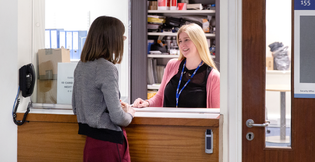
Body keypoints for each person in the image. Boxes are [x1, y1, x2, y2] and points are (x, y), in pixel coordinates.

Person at [72, 16, 135, 162]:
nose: (122, 41)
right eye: (122, 37)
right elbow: (118, 118)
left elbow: (76, 107)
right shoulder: (107, 68)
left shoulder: (81, 66)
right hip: (109, 143)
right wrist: (130, 113)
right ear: (113, 39)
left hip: (91, 142)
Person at [133, 23, 220, 108]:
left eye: (186, 39)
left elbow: (215, 115)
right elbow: (160, 97)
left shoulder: (213, 77)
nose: (182, 45)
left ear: (198, 41)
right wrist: (147, 103)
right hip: (167, 122)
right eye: (180, 41)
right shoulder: (172, 65)